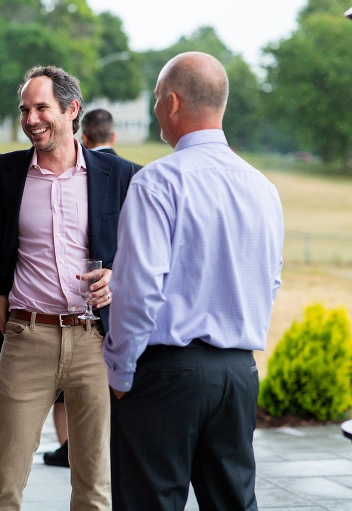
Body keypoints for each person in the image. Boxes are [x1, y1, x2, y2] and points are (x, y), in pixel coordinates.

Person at [104, 52, 284, 511]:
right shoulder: (263, 187)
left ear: (173, 102)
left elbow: (139, 290)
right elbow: (272, 281)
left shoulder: (157, 182)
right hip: (238, 373)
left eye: (156, 99)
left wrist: (121, 371)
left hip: (167, 372)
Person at [0, 66, 136, 510]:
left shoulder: (119, 175)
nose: (30, 118)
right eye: (24, 109)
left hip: (95, 343)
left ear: (71, 109)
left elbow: (147, 248)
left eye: (41, 107)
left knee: (95, 487)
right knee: (2, 484)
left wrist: (118, 277)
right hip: (27, 338)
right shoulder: (3, 173)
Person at [43, 107, 142, 469]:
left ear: (82, 136)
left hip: (99, 320)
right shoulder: (134, 171)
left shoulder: (131, 176)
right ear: (112, 137)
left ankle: (68, 447)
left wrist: (115, 274)